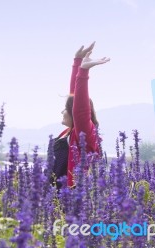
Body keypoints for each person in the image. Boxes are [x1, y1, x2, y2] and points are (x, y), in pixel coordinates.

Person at [51, 42, 110, 189]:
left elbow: (80, 109)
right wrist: (77, 62)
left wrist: (83, 71)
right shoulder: (68, 133)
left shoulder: (84, 134)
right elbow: (73, 97)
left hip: (74, 197)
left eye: (65, 109)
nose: (61, 112)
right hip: (55, 196)